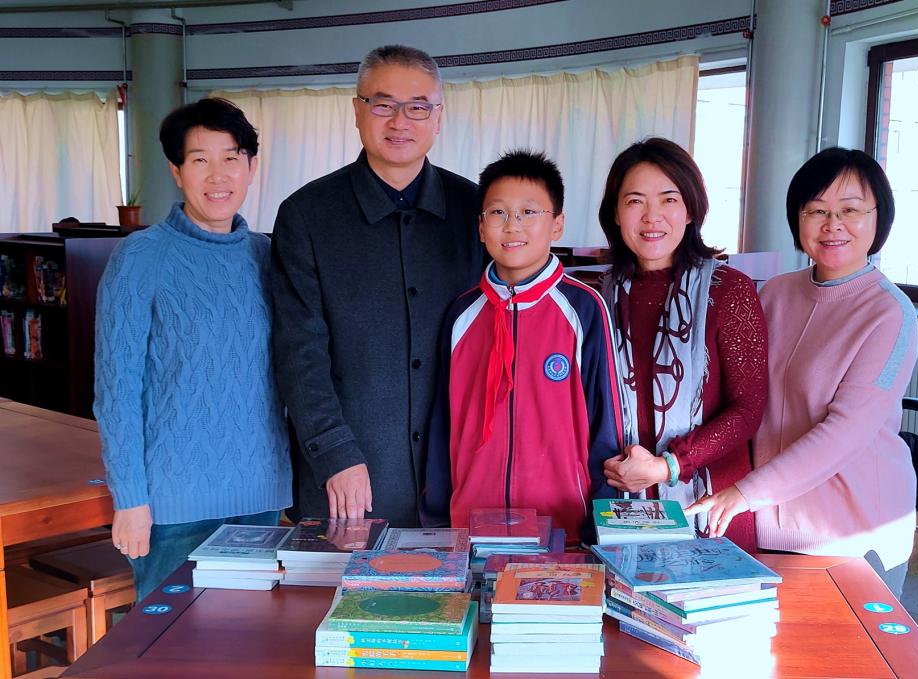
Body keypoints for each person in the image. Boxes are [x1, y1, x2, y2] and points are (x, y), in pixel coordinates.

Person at [687, 147, 918, 598]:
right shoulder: (775, 293)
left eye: (850, 210)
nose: (833, 225)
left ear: (879, 218)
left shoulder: (890, 313)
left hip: (851, 533)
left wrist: (746, 493)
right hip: (764, 522)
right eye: (817, 211)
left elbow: (845, 433)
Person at [271, 45, 485, 527]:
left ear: (438, 118)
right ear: (357, 110)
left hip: (460, 476)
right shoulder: (307, 215)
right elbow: (298, 351)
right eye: (383, 104)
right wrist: (334, 452)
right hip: (347, 479)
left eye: (418, 107)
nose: (400, 121)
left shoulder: (476, 210)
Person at [94, 97, 292, 600]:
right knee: (168, 640)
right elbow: (117, 390)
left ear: (251, 167)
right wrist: (130, 499)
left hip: (261, 495)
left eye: (231, 158)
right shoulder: (140, 256)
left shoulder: (270, 256)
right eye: (200, 159)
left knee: (254, 637)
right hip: (170, 506)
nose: (218, 175)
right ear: (176, 171)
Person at [422, 150, 623, 543]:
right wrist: (438, 518)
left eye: (529, 212)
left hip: (563, 529)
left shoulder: (584, 308)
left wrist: (600, 525)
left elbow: (606, 425)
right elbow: (443, 422)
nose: (512, 225)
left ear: (557, 224)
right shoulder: (462, 314)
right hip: (469, 528)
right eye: (498, 212)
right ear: (481, 228)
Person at [599, 138, 767, 554]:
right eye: (635, 201)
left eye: (668, 199)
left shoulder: (728, 290)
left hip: (709, 507)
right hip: (619, 502)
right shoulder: (599, 296)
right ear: (616, 213)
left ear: (690, 209)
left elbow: (748, 408)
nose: (651, 216)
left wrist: (667, 466)